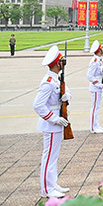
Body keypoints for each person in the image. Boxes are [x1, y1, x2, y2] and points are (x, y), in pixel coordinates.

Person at [34, 46, 71, 198]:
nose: (63, 63)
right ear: (57, 64)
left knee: (53, 157)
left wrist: (66, 96)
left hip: (58, 122)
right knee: (48, 157)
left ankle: (53, 184)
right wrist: (54, 119)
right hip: (51, 124)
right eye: (61, 61)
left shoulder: (56, 79)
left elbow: (67, 91)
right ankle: (47, 189)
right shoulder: (48, 82)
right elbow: (38, 105)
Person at [86, 40, 103, 134]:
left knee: (97, 107)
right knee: (94, 108)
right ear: (99, 50)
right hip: (95, 87)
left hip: (98, 86)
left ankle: (96, 125)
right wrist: (99, 84)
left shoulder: (98, 60)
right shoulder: (94, 61)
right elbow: (89, 76)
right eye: (101, 48)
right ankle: (93, 127)